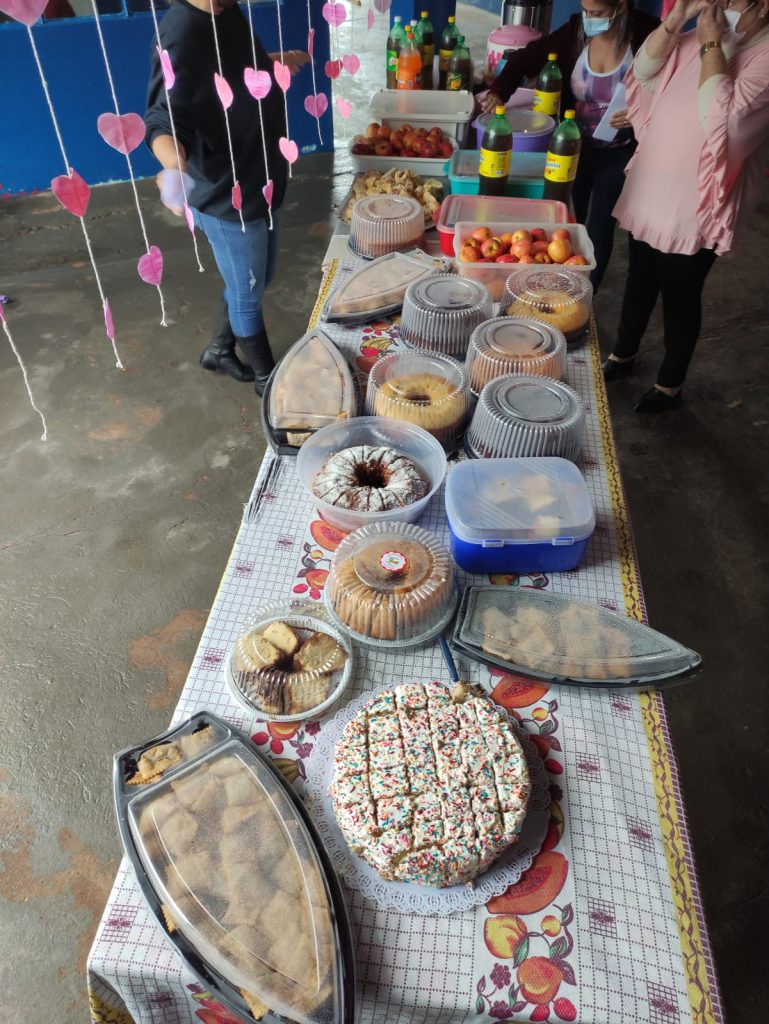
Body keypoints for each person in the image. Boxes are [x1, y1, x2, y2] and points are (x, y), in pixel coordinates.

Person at [604, 0, 769, 412]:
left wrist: (713, 44)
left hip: (694, 203)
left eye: (733, 1)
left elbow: (725, 122)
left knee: (680, 295)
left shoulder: (762, 56)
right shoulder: (696, 35)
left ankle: (669, 384)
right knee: (639, 277)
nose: (722, 5)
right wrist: (678, 19)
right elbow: (643, 71)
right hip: (652, 186)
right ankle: (622, 354)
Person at [145, 0, 308, 394]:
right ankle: (268, 380)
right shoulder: (180, 34)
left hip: (261, 177)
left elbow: (224, 76)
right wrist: (173, 165)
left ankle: (219, 348)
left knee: (256, 278)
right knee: (248, 292)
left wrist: (272, 62)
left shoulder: (226, 10)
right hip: (226, 193)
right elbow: (160, 119)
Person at [481, 1, 659, 290]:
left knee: (599, 229)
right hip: (572, 149)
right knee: (562, 219)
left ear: (621, 6)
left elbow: (674, 84)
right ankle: (552, 286)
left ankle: (585, 295)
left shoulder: (648, 35)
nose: (589, 19)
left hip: (619, 153)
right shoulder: (575, 31)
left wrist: (645, 109)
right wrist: (500, 91)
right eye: (586, 11)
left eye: (598, 13)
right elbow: (525, 60)